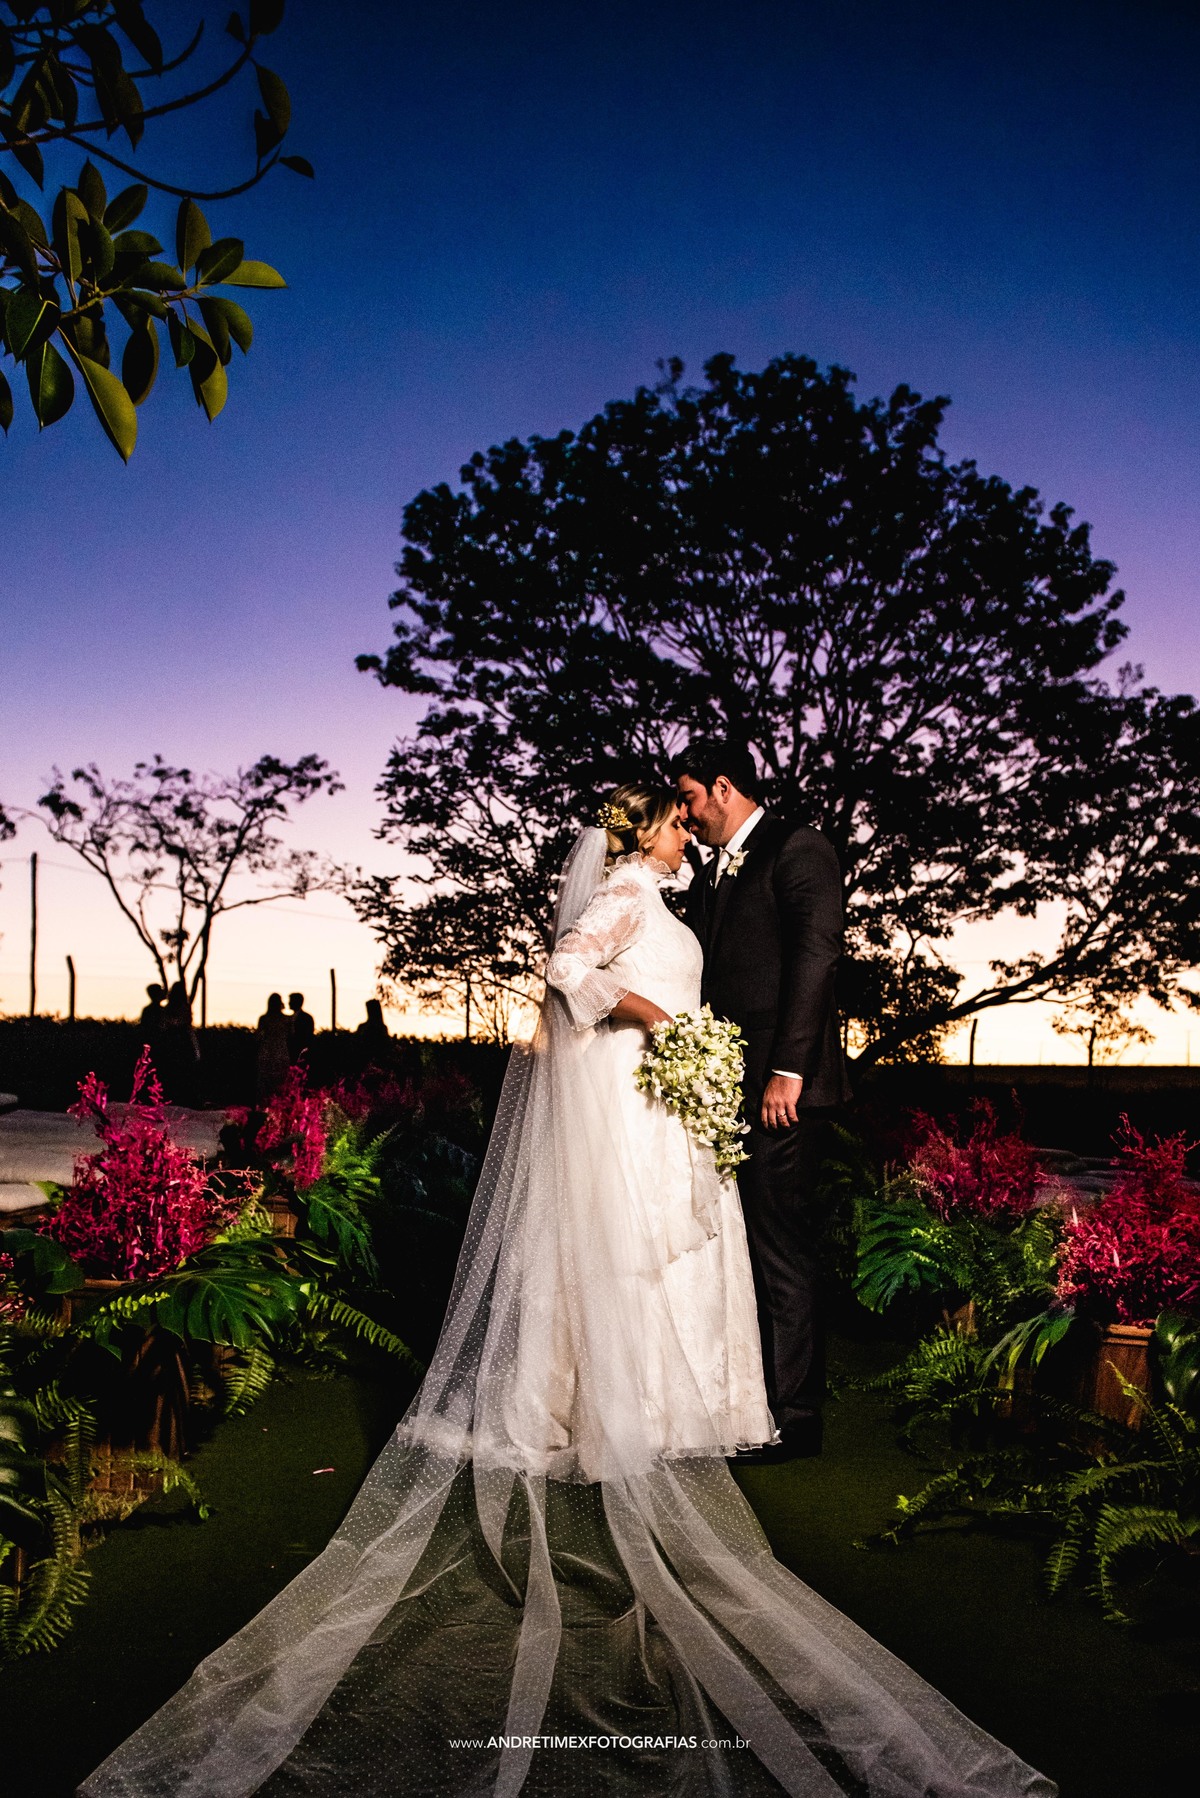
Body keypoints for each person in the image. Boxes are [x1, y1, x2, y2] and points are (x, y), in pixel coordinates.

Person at [79, 785, 1055, 1798]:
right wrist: (652, 1015)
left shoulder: (666, 899)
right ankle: (594, 1400)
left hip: (656, 1095)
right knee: (620, 1246)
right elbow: (565, 968)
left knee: (659, 1252)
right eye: (677, 821)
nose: (688, 833)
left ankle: (658, 1395)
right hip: (628, 1088)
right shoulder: (630, 888)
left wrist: (687, 1043)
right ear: (643, 835)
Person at [673, 740, 852, 1463]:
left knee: (781, 1247)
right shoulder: (710, 872)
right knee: (735, 1246)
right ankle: (744, 1401)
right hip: (725, 1090)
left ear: (723, 787)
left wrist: (788, 1070)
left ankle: (796, 1417)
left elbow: (818, 954)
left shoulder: (798, 848)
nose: (684, 814)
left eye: (688, 797)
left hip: (784, 1093)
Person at [255, 991, 291, 1103]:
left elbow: (258, 1036)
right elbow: (291, 1035)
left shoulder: (264, 1018)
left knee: (266, 1079)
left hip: (268, 1049)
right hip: (280, 1049)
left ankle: (265, 1101)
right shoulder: (286, 1020)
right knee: (280, 1079)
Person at [287, 991, 316, 1059]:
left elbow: (308, 1035)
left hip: (301, 1051)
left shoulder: (306, 1018)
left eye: (291, 1001)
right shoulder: (289, 1018)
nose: (289, 1003)